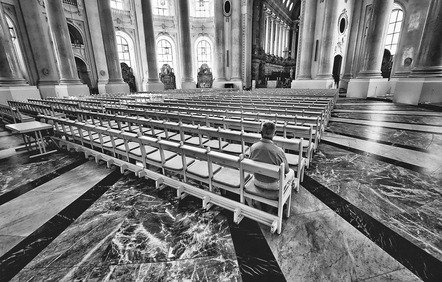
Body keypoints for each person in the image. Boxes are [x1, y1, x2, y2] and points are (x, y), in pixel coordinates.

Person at [249, 121, 295, 191]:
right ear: (274, 134)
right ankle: (291, 188)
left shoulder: (253, 147)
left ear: (261, 133)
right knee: (291, 172)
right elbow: (286, 171)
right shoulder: (279, 151)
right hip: (274, 185)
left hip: (257, 181)